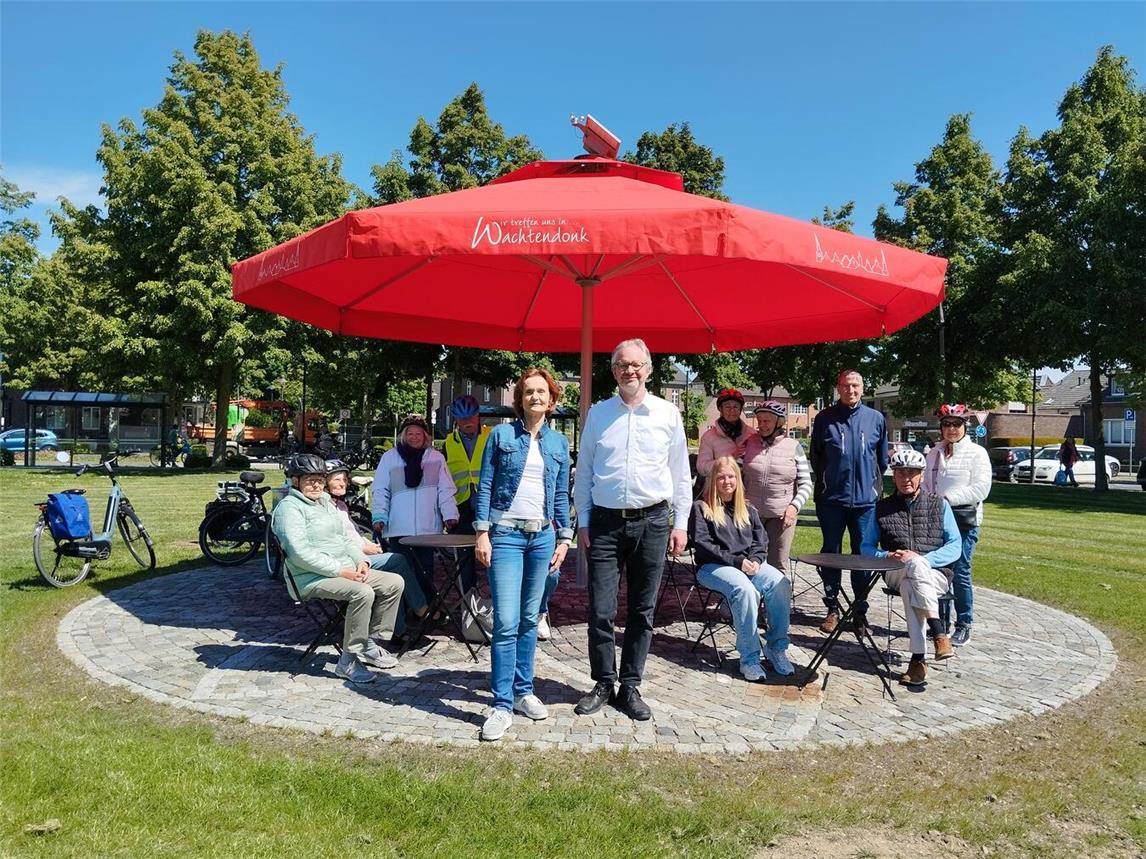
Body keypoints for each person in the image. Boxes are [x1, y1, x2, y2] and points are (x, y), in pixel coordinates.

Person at [573, 338, 692, 721]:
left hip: (653, 521)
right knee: (601, 609)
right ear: (613, 371)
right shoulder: (598, 414)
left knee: (642, 609)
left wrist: (681, 523)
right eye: (622, 365)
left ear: (648, 369)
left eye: (636, 364)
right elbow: (584, 471)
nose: (630, 371)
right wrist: (583, 520)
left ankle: (630, 685)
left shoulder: (667, 414)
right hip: (605, 523)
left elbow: (681, 474)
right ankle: (603, 682)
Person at [472, 369, 573, 741]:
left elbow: (560, 494)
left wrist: (564, 539)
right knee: (506, 621)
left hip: (543, 537)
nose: (535, 397)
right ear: (520, 399)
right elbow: (485, 485)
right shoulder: (501, 436)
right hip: (506, 537)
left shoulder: (558, 443)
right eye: (528, 392)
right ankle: (501, 704)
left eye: (541, 392)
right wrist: (482, 532)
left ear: (551, 399)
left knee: (530, 619)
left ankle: (523, 691)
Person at [272, 453, 403, 685]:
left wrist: (361, 561)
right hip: (309, 577)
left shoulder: (325, 502)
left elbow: (345, 539)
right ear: (296, 481)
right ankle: (348, 661)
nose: (316, 485)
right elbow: (299, 554)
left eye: (320, 480)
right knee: (362, 593)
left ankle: (369, 642)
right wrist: (342, 571)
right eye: (309, 480)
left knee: (393, 583)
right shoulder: (289, 509)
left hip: (346, 569)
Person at [689, 456, 795, 680]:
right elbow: (703, 544)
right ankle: (749, 659)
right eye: (721, 477)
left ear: (738, 479)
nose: (727, 481)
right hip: (713, 567)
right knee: (744, 590)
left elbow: (760, 541)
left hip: (748, 564)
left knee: (780, 583)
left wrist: (755, 560)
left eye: (731, 476)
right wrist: (738, 562)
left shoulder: (748, 508)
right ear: (713, 480)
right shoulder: (701, 508)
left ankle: (776, 648)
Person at [862, 449, 958, 687]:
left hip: (935, 574)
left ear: (922, 476)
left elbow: (955, 546)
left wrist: (924, 559)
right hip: (895, 570)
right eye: (900, 473)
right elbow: (866, 547)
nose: (906, 478)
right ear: (893, 477)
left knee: (910, 584)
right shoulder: (881, 508)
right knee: (910, 568)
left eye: (912, 473)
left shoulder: (940, 505)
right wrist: (886, 555)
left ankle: (918, 659)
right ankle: (938, 632)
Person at [809, 369, 888, 636]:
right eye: (845, 385)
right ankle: (832, 607)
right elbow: (816, 457)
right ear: (838, 387)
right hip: (831, 500)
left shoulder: (876, 419)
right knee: (831, 553)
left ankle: (859, 610)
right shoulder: (824, 419)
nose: (850, 390)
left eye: (855, 385)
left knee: (862, 556)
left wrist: (870, 486)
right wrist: (830, 481)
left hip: (866, 502)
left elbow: (881, 461)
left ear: (862, 388)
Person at [325, 459, 428, 643]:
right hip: (347, 561)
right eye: (337, 479)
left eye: (345, 479)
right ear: (325, 482)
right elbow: (337, 540)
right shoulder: (325, 509)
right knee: (396, 561)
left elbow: (355, 533)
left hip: (360, 555)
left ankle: (398, 629)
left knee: (393, 573)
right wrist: (364, 548)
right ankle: (419, 608)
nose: (343, 483)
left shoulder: (340, 506)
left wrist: (370, 545)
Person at [923, 404, 992, 647]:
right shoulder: (934, 453)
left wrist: (948, 499)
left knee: (961, 570)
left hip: (963, 521)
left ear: (965, 426)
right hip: (936, 520)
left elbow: (982, 488)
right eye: (947, 425)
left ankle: (964, 623)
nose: (951, 429)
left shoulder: (976, 453)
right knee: (939, 570)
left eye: (956, 424)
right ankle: (940, 623)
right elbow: (926, 484)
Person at [372, 415, 459, 601]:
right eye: (410, 433)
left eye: (418, 433)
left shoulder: (436, 458)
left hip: (427, 528)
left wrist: (450, 514)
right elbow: (380, 489)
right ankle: (403, 608)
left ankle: (426, 608)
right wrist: (379, 515)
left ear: (425, 436)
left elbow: (445, 489)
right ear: (403, 436)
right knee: (401, 572)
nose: (414, 437)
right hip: (399, 527)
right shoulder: (389, 457)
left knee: (426, 571)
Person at [741, 401, 813, 573]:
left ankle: (776, 591)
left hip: (781, 517)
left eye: (767, 421)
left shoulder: (793, 447)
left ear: (779, 422)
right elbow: (736, 476)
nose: (762, 425)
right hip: (751, 515)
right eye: (759, 420)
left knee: (778, 565)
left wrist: (793, 508)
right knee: (749, 562)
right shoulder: (749, 443)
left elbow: (806, 484)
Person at [443, 394, 493, 632]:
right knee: (464, 562)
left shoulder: (491, 436)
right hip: (461, 506)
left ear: (478, 415)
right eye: (462, 419)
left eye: (471, 417)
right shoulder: (449, 443)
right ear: (456, 420)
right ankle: (469, 607)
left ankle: (496, 605)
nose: (467, 423)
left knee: (494, 558)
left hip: (488, 505)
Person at [697, 388, 750, 478]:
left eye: (735, 407)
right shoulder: (708, 436)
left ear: (741, 410)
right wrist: (729, 459)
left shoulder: (751, 434)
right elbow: (702, 467)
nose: (732, 410)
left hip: (746, 486)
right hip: (720, 485)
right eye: (727, 407)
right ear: (720, 409)